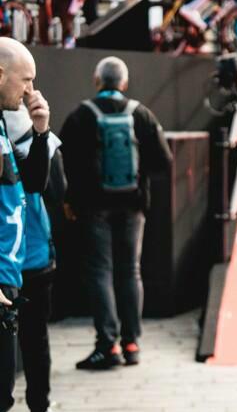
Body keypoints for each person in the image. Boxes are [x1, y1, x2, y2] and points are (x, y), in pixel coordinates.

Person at [60, 57, 173, 370]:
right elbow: (163, 161)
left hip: (94, 209)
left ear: (97, 81)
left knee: (100, 271)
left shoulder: (82, 115)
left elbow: (64, 161)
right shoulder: (141, 114)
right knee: (130, 271)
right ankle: (132, 343)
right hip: (133, 206)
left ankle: (107, 345)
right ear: (124, 83)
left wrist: (73, 198)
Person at [0, 37, 54, 412]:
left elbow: (30, 188)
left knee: (1, 396)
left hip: (12, 278)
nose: (31, 89)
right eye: (26, 79)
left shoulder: (4, 125)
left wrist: (39, 132)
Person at [4, 104, 74, 412]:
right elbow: (57, 190)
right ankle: (39, 411)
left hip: (8, 260)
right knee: (36, 338)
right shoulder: (40, 143)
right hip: (32, 255)